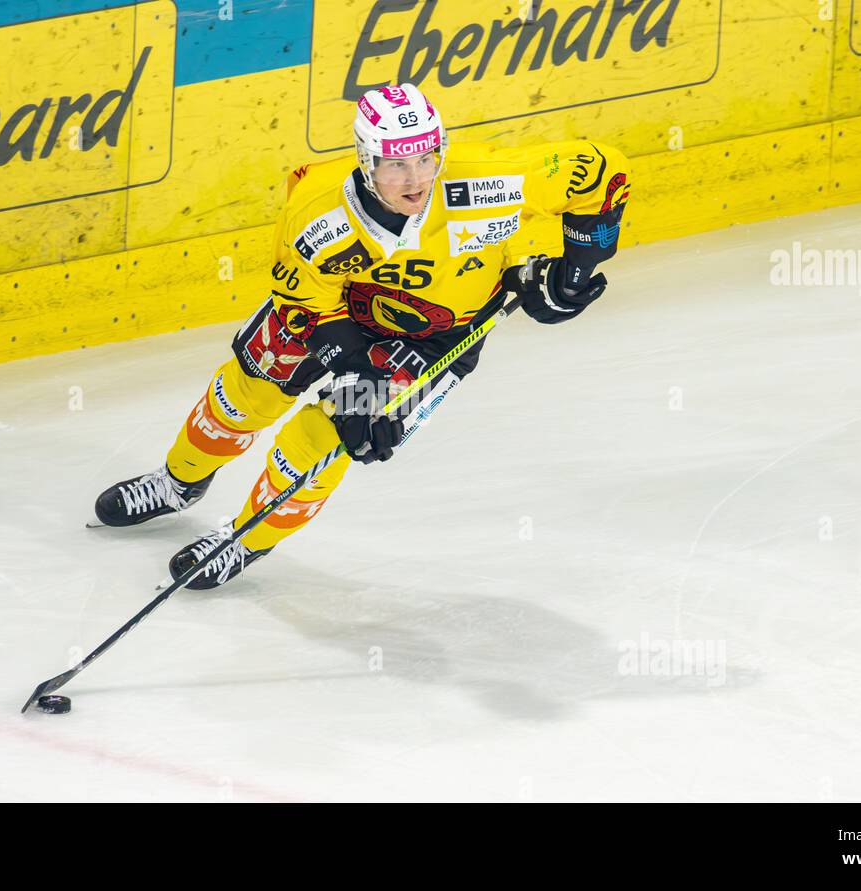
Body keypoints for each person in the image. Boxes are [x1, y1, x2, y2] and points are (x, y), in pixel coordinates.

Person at [94, 83, 631, 589]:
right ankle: (178, 481)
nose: (415, 179)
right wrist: (350, 363)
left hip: (434, 337)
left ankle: (244, 539)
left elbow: (603, 172)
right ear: (366, 160)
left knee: (323, 440)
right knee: (244, 397)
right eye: (396, 163)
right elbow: (304, 299)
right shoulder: (315, 208)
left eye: (426, 158)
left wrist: (572, 273)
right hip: (334, 314)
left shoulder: (491, 183)